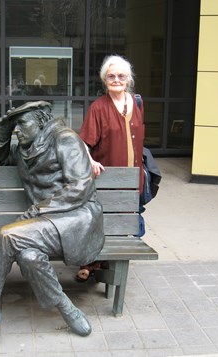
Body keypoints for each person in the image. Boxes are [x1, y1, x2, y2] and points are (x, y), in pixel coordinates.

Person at [0, 101, 105, 344]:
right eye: (13, 126)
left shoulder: (65, 139)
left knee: (7, 235)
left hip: (76, 219)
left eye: (22, 123)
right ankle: (67, 308)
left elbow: (80, 187)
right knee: (29, 257)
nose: (17, 130)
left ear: (41, 122)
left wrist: (36, 210)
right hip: (44, 223)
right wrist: (2, 134)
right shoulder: (24, 147)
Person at [76, 55, 145, 282]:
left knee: (125, 222)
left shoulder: (136, 103)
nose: (116, 80)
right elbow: (83, 142)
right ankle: (91, 262)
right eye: (111, 76)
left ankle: (111, 264)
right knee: (102, 222)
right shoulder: (98, 108)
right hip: (107, 179)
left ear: (129, 79)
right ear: (105, 80)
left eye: (121, 76)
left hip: (132, 177)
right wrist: (91, 161)